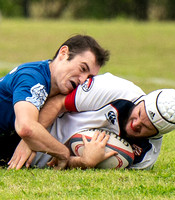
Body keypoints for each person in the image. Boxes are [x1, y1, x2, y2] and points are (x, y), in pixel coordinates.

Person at [8, 73, 175, 170]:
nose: (136, 124)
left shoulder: (145, 157)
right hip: (18, 126)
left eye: (146, 128)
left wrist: (84, 162)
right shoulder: (113, 88)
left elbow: (66, 164)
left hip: (39, 162)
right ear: (143, 100)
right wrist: (29, 139)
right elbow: (58, 103)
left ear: (158, 134)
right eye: (139, 113)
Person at [0, 35, 110, 169]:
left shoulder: (55, 82)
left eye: (88, 77)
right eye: (82, 68)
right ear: (63, 53)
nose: (82, 80)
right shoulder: (32, 79)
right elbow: (26, 127)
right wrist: (63, 152)